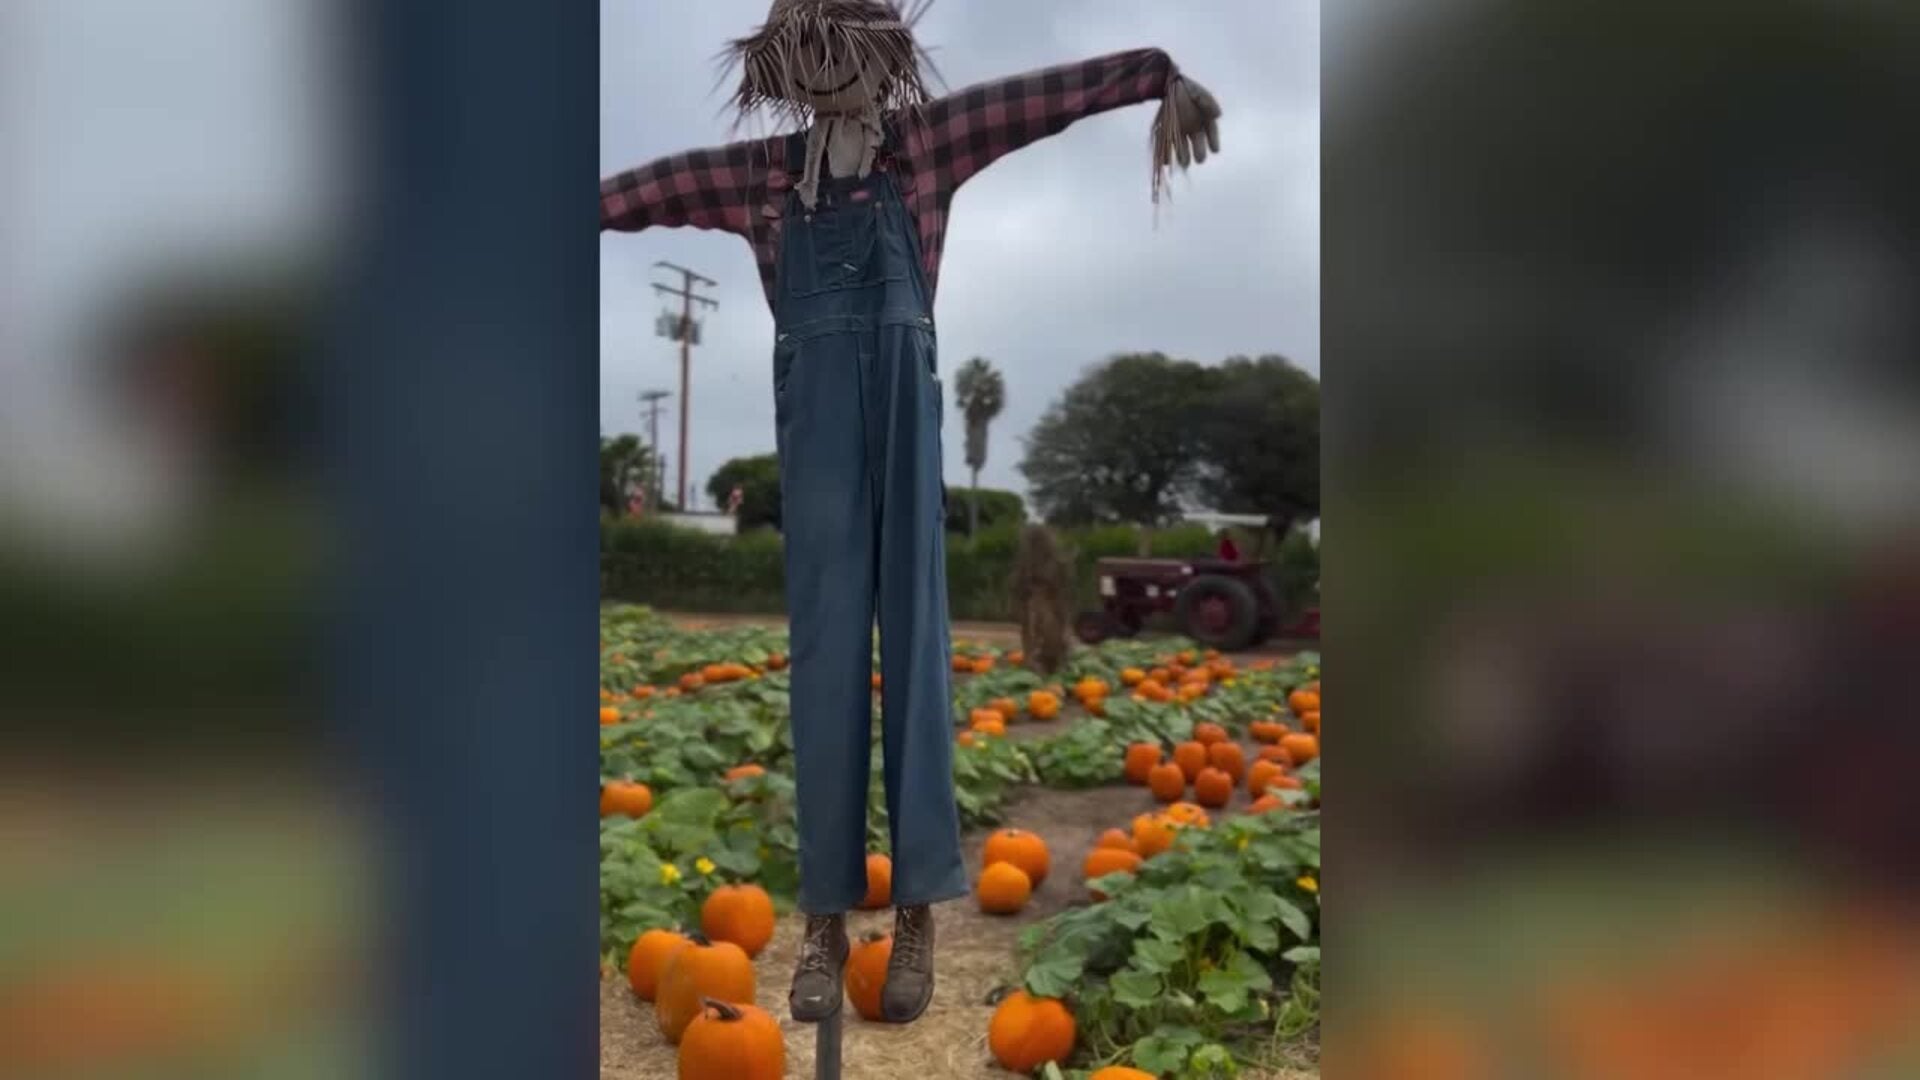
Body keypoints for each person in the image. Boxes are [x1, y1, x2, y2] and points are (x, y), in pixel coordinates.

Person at [601, 0, 1224, 1025]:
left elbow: (1040, 100)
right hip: (816, 426)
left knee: (922, 648)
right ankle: (823, 921)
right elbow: (649, 191)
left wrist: (1155, 74)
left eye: (840, 53)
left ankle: (920, 912)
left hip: (903, 409)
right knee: (824, 655)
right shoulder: (760, 177)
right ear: (786, 69)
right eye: (808, 59)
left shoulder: (926, 146)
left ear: (879, 56)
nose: (826, 76)